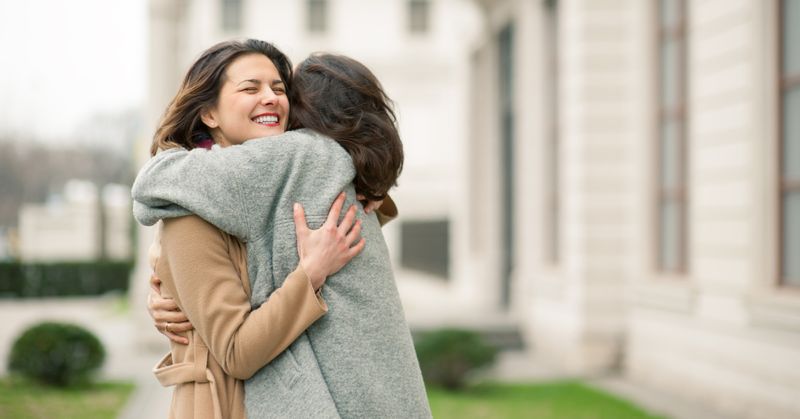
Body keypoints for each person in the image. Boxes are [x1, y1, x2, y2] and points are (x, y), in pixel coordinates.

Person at [133, 39, 431, 418]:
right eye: (249, 88)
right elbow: (236, 351)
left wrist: (368, 186)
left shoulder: (279, 183)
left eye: (278, 88)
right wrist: (311, 273)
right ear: (209, 113)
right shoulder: (189, 216)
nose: (271, 98)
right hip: (225, 405)